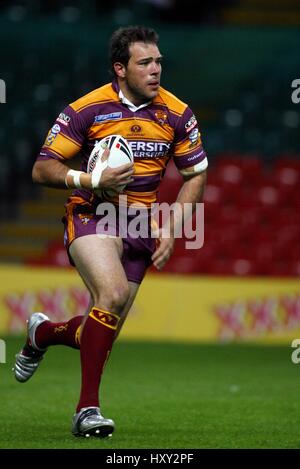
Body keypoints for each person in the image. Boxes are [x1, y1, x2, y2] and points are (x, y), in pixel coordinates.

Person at [13, 25, 208, 438]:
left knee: (99, 334)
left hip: (141, 223)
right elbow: (42, 169)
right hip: (93, 211)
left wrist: (173, 230)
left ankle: (41, 332)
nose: (156, 69)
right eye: (145, 63)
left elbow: (195, 175)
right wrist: (90, 180)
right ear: (120, 69)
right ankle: (87, 411)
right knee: (113, 295)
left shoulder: (178, 113)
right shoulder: (87, 108)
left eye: (158, 61)